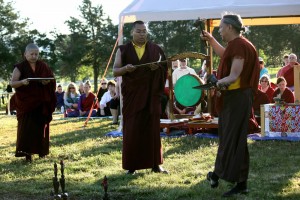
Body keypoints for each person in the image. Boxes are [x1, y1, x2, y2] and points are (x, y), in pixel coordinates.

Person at [201, 13, 260, 197]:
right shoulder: (238, 45)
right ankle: (238, 182)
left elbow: (234, 76)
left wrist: (215, 83)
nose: (219, 31)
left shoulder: (240, 46)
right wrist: (210, 40)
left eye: (220, 27)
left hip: (237, 98)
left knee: (232, 139)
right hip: (236, 99)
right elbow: (226, 55)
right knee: (235, 139)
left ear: (230, 27)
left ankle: (219, 175)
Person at [113, 20, 168, 175]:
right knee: (132, 130)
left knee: (153, 130)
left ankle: (156, 164)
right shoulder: (123, 50)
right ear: (132, 32)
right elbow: (115, 71)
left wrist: (157, 68)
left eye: (144, 31)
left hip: (151, 95)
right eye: (139, 31)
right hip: (133, 96)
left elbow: (164, 67)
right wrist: (125, 69)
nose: (142, 34)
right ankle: (132, 165)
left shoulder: (155, 49)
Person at [10, 43, 56, 162]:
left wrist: (47, 82)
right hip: (26, 103)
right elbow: (13, 83)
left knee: (41, 128)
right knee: (27, 130)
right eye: (32, 54)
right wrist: (22, 82)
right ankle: (27, 155)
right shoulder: (20, 67)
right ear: (25, 54)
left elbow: (51, 79)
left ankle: (42, 153)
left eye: (36, 54)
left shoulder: (43, 65)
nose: (34, 56)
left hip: (41, 102)